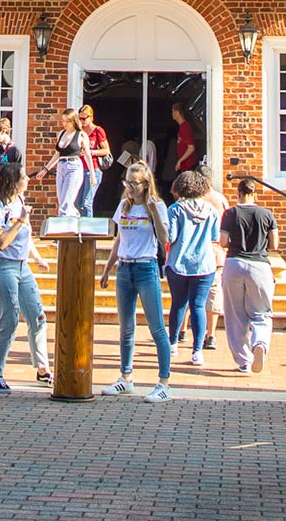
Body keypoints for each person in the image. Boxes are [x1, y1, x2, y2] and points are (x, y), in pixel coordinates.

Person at [99, 162, 174, 403]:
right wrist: (108, 268)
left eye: (134, 184)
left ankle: (164, 382)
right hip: (125, 268)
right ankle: (126, 377)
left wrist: (153, 213)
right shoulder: (124, 205)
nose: (129, 188)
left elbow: (165, 239)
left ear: (145, 184)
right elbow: (119, 238)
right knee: (126, 327)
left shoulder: (157, 206)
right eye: (127, 183)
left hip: (146, 267)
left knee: (156, 327)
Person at [0, 163, 52, 390]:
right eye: (24, 177)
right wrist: (20, 220)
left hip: (23, 267)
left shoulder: (19, 202)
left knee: (38, 317)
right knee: (10, 319)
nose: (28, 180)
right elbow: (1, 243)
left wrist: (37, 258)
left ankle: (43, 369)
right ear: (12, 182)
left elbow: (26, 237)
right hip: (4, 268)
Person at [220, 178, 279, 374]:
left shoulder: (230, 213)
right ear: (255, 194)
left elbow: (223, 241)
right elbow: (274, 245)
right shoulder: (266, 214)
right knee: (261, 312)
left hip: (234, 262)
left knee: (235, 315)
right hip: (260, 265)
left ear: (238, 193)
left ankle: (244, 360)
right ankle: (260, 343)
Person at [163, 170, 221, 367]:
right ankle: (197, 351)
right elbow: (215, 237)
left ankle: (172, 345)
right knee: (198, 306)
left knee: (178, 304)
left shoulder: (174, 210)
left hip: (178, 263)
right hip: (204, 264)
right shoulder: (211, 210)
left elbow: (171, 237)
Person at [200, 178, 230, 350]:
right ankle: (210, 335)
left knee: (191, 293)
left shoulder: (190, 201)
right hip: (216, 252)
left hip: (196, 254)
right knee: (213, 293)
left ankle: (181, 331)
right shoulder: (221, 200)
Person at [42, 108, 87, 217]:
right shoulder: (61, 133)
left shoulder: (80, 134)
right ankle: (75, 219)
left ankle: (63, 230)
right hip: (61, 166)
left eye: (68, 121)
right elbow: (57, 154)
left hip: (74, 166)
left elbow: (88, 155)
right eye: (63, 121)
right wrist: (46, 169)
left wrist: (92, 175)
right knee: (63, 201)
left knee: (65, 205)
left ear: (74, 120)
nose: (65, 124)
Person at [76, 105, 109, 217]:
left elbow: (106, 151)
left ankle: (87, 231)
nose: (82, 121)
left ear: (91, 117)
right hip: (80, 169)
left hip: (93, 170)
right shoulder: (79, 132)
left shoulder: (98, 131)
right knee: (77, 203)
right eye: (80, 118)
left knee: (86, 203)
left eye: (84, 118)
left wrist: (91, 152)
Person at [170, 102, 200, 174]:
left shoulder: (185, 127)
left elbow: (191, 148)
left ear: (177, 112)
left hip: (188, 165)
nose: (172, 114)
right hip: (185, 166)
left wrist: (180, 161)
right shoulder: (182, 127)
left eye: (172, 111)